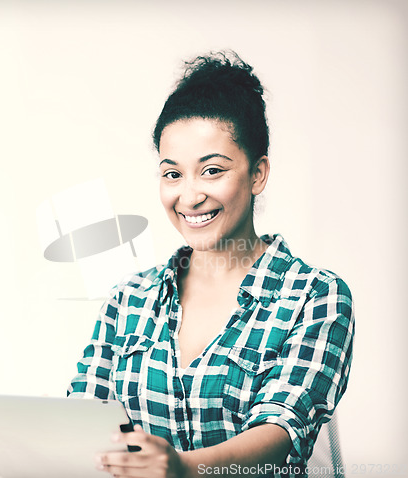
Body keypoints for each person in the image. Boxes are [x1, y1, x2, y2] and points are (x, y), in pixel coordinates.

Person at [67, 51, 354, 478]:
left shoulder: (316, 296)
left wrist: (182, 469)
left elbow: (281, 430)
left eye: (212, 170)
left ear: (258, 174)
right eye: (172, 174)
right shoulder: (128, 299)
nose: (190, 196)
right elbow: (83, 420)